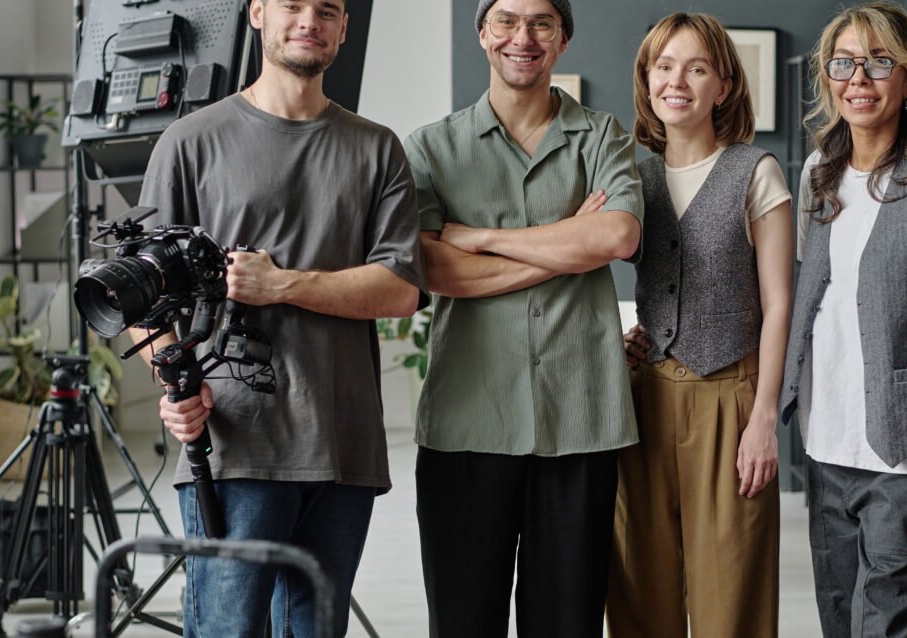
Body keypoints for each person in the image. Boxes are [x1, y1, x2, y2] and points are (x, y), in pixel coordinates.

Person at [134, 0, 426, 635]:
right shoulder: (190, 142)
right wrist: (174, 384)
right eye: (292, 4)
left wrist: (282, 284)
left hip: (341, 442)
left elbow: (401, 289)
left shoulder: (377, 149)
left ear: (344, 27)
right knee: (227, 630)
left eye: (327, 9)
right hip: (235, 441)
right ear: (258, 12)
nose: (309, 20)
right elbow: (143, 291)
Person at [401, 0, 643, 634]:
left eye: (542, 22)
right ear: (483, 33)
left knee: (567, 623)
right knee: (462, 620)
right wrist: (568, 245)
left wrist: (481, 238)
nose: (523, 37)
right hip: (466, 422)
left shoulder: (605, 136)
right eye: (506, 19)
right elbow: (433, 270)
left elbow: (617, 237)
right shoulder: (430, 148)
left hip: (580, 422)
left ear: (563, 38)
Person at [776, 2, 907, 636]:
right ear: (827, 77)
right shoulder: (818, 174)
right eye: (843, 63)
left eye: (878, 62)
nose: (858, 78)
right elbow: (816, 298)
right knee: (840, 624)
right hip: (827, 449)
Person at [610, 12, 793, 638]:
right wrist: (627, 334)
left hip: (730, 399)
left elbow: (780, 305)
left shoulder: (755, 172)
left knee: (731, 598)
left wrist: (765, 416)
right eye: (664, 66)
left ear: (723, 84)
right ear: (647, 80)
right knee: (638, 592)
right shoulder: (629, 178)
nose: (677, 81)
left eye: (696, 67)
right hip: (643, 402)